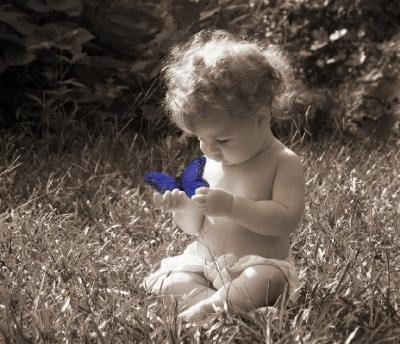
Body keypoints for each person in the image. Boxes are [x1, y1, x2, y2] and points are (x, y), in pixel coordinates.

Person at [143, 29, 305, 321]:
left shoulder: (283, 163)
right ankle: (233, 311)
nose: (209, 149)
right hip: (208, 266)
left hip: (258, 266)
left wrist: (233, 207)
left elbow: (286, 219)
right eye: (200, 139)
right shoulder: (208, 162)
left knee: (267, 279)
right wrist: (184, 208)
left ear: (261, 117)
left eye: (223, 140)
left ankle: (212, 308)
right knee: (167, 282)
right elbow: (196, 227)